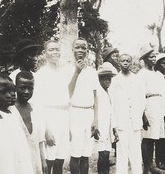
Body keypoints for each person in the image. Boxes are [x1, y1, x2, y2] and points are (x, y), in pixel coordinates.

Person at [33, 40, 72, 174]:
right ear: (45, 53)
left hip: (64, 116)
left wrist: (69, 125)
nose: (55, 52)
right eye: (51, 50)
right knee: (50, 159)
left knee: (60, 158)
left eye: (57, 49)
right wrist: (46, 130)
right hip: (49, 116)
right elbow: (38, 104)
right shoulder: (41, 75)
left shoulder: (64, 73)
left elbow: (67, 100)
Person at [68, 38, 100, 174]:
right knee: (75, 154)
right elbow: (68, 92)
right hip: (75, 112)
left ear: (87, 50)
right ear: (72, 49)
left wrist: (96, 119)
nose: (80, 50)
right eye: (77, 47)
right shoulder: (67, 69)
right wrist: (76, 71)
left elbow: (95, 96)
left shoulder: (92, 71)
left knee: (86, 154)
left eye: (83, 48)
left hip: (89, 113)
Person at [110, 54, 144, 174]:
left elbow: (141, 100)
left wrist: (137, 116)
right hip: (121, 121)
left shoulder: (137, 79)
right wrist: (114, 124)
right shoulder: (114, 80)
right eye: (123, 61)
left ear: (131, 63)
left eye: (127, 61)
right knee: (122, 153)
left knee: (136, 152)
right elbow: (112, 103)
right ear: (119, 62)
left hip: (134, 120)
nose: (125, 63)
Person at [137, 45, 165, 173]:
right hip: (147, 105)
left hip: (157, 105)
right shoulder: (142, 74)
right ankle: (146, 167)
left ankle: (151, 164)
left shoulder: (156, 74)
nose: (154, 59)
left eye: (154, 56)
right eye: (151, 57)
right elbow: (139, 95)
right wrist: (143, 115)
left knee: (154, 137)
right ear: (145, 59)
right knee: (147, 137)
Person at [14, 71, 47, 174]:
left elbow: (40, 139)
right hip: (18, 162)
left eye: (30, 88)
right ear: (15, 88)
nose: (27, 91)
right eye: (23, 88)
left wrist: (44, 161)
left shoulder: (35, 109)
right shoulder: (10, 110)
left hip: (35, 161)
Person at [96, 62, 118, 174]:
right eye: (105, 79)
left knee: (106, 154)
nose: (108, 81)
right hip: (100, 129)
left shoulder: (108, 92)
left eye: (110, 79)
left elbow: (111, 113)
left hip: (108, 130)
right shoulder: (97, 93)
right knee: (102, 156)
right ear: (99, 79)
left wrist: (114, 129)